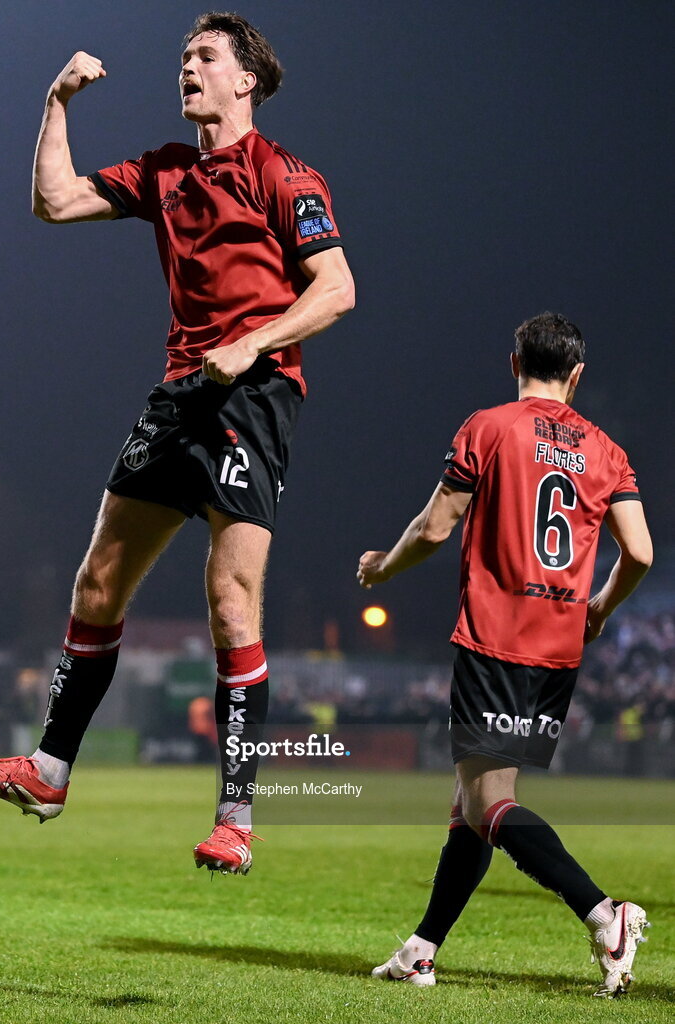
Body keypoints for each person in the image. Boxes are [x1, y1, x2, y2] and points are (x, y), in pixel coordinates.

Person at [0, 12, 354, 876]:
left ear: (245, 79)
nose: (188, 68)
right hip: (179, 394)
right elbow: (54, 202)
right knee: (98, 578)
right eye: (182, 58)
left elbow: (337, 288)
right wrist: (55, 102)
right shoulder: (166, 170)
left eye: (205, 57)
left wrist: (254, 343)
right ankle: (49, 769)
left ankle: (237, 818)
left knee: (228, 599)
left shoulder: (285, 175)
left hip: (255, 392)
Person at [357, 313, 652, 998]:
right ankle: (421, 949)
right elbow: (637, 552)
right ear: (575, 375)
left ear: (512, 362)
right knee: (470, 803)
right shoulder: (606, 451)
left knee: (488, 801)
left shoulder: (488, 427)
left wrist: (383, 568)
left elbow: (436, 525)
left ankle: (605, 914)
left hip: (495, 637)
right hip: (556, 649)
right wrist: (598, 611)